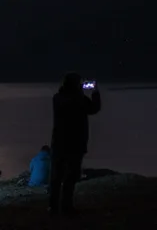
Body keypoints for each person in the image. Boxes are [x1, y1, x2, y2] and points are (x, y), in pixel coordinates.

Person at [49, 73, 102, 216]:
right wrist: (95, 92)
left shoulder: (57, 98)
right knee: (70, 177)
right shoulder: (79, 99)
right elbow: (94, 108)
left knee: (56, 176)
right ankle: (66, 207)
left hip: (59, 142)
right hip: (75, 143)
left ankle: (53, 208)